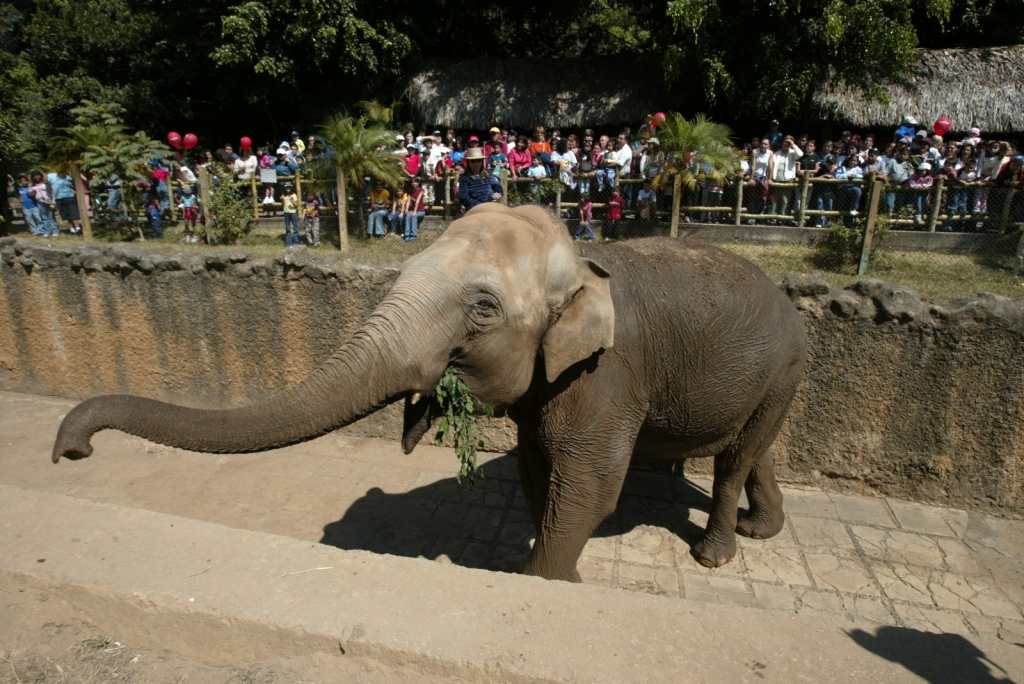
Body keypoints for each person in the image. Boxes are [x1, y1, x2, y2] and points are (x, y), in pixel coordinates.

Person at [770, 136, 802, 218]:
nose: (786, 144)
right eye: (785, 142)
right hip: (776, 180)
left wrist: (793, 144)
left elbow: (800, 154)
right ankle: (772, 218)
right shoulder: (776, 153)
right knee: (774, 200)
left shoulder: (793, 153)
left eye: (788, 143)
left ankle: (782, 219)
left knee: (785, 200)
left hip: (788, 180)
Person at [280, 182, 301, 247]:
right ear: (285, 188)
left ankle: (296, 242)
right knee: (288, 228)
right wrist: (282, 199)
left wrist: (292, 200)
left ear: (291, 188)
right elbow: (283, 205)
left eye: (289, 187)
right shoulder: (284, 195)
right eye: (286, 187)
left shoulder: (294, 195)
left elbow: (296, 205)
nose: (288, 188)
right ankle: (289, 243)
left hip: (293, 213)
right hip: (286, 212)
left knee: (295, 227)